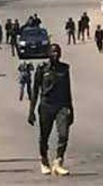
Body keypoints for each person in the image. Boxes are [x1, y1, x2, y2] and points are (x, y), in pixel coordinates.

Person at [28, 44, 74, 176]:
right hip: (46, 106)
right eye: (53, 52)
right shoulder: (42, 69)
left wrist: (71, 109)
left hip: (62, 106)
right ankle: (44, 161)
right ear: (48, 53)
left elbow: (68, 89)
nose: (56, 54)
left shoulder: (65, 69)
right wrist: (31, 111)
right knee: (44, 136)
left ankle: (58, 162)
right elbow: (35, 90)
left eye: (58, 52)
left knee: (64, 134)